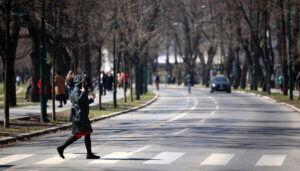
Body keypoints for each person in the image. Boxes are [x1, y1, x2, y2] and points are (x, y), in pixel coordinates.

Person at [57, 75, 100, 159]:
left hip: (81, 117)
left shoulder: (78, 90)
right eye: (83, 82)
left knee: (81, 134)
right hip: (80, 118)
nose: (85, 83)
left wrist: (91, 99)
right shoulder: (77, 90)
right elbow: (78, 100)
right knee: (83, 134)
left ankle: (62, 148)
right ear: (79, 83)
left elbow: (81, 103)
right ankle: (62, 148)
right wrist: (84, 92)